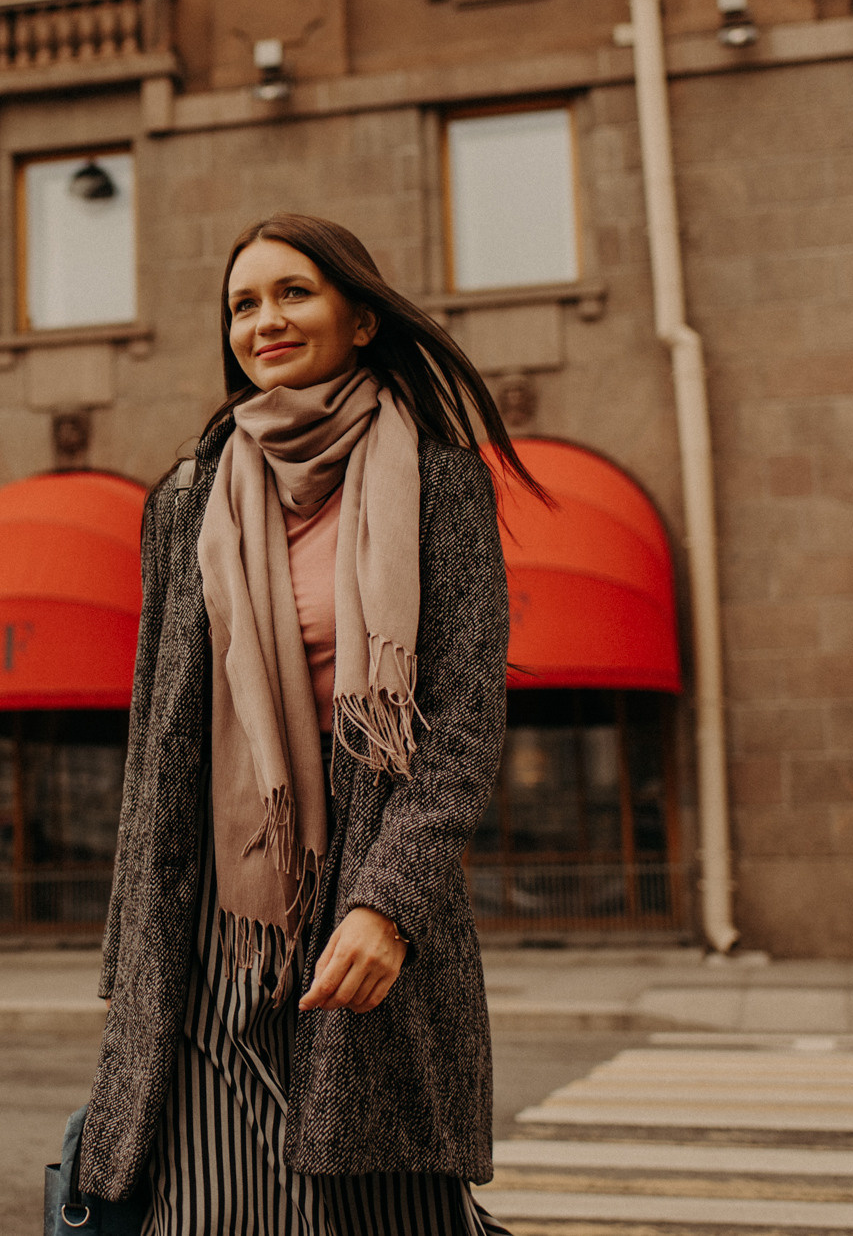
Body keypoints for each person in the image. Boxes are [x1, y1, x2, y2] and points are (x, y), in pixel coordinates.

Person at [76, 213, 536, 1234]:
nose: (264, 320)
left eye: (294, 293)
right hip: (213, 935)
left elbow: (459, 723)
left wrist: (389, 905)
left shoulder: (440, 480)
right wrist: (130, 959)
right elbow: (158, 745)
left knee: (374, 1213)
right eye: (243, 303)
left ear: (361, 318)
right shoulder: (189, 497)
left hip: (368, 919)